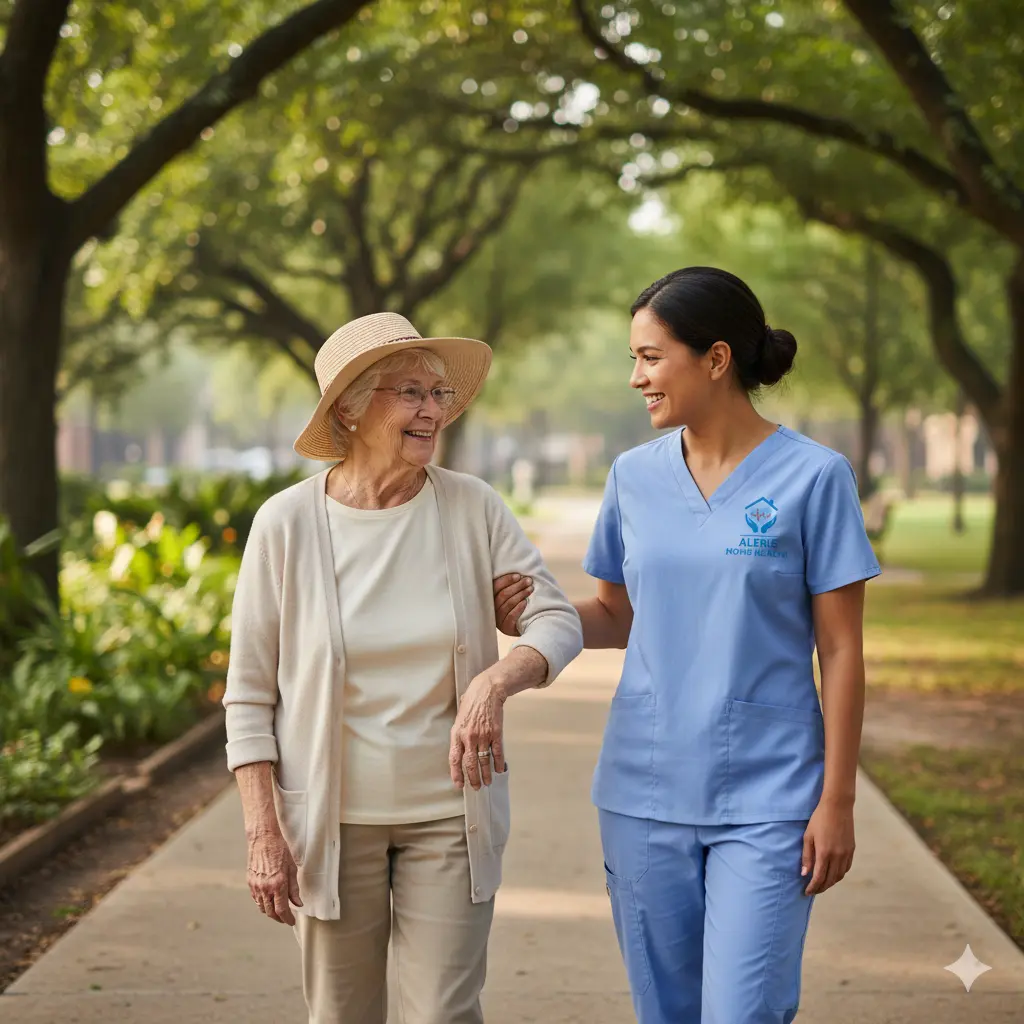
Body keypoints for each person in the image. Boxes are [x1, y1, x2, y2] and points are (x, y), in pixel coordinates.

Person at [494, 267, 880, 1023]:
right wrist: (534, 617)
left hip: (770, 798)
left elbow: (841, 651)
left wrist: (837, 800)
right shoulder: (633, 479)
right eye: (633, 358)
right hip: (643, 791)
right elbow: (618, 615)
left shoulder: (814, 478)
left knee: (745, 1011)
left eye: (650, 356)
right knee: (666, 1013)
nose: (636, 377)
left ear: (716, 359)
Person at [223, 312, 583, 1024]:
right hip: (330, 821)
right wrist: (263, 834)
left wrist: (498, 678)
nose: (432, 411)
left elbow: (557, 619)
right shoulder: (286, 525)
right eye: (410, 392)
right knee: (342, 1014)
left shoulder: (471, 508)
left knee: (444, 1014)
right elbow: (248, 696)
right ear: (351, 408)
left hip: (450, 814)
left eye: (439, 394)